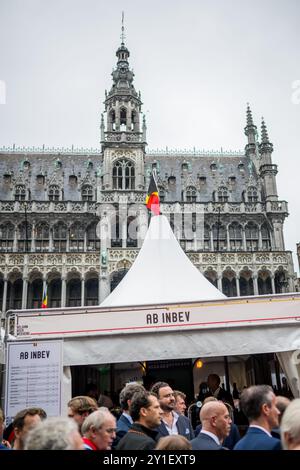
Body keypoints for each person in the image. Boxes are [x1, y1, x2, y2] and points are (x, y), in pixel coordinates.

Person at [233, 385, 281, 450]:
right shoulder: (275, 445)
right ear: (265, 409)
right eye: (275, 406)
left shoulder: (238, 446)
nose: (278, 412)